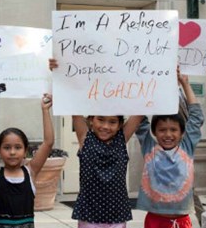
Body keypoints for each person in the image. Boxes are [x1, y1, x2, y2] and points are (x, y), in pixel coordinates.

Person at [49, 58, 143, 228]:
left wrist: (167, 78)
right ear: (91, 120)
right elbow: (72, 104)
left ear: (120, 124)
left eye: (112, 122)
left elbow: (142, 108)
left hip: (116, 214)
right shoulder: (85, 138)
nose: (106, 126)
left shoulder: (122, 138)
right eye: (101, 119)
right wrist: (59, 72)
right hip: (89, 215)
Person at [135, 67, 205, 228]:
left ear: (182, 133)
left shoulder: (186, 147)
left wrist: (185, 83)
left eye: (173, 130)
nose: (168, 134)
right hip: (155, 220)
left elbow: (196, 117)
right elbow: (139, 118)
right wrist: (154, 82)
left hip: (180, 221)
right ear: (154, 131)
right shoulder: (149, 148)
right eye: (162, 130)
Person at [0, 91, 54, 228]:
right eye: (6, 147)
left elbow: (48, 142)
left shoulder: (31, 171)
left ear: (25, 151)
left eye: (18, 147)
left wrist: (45, 110)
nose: (12, 152)